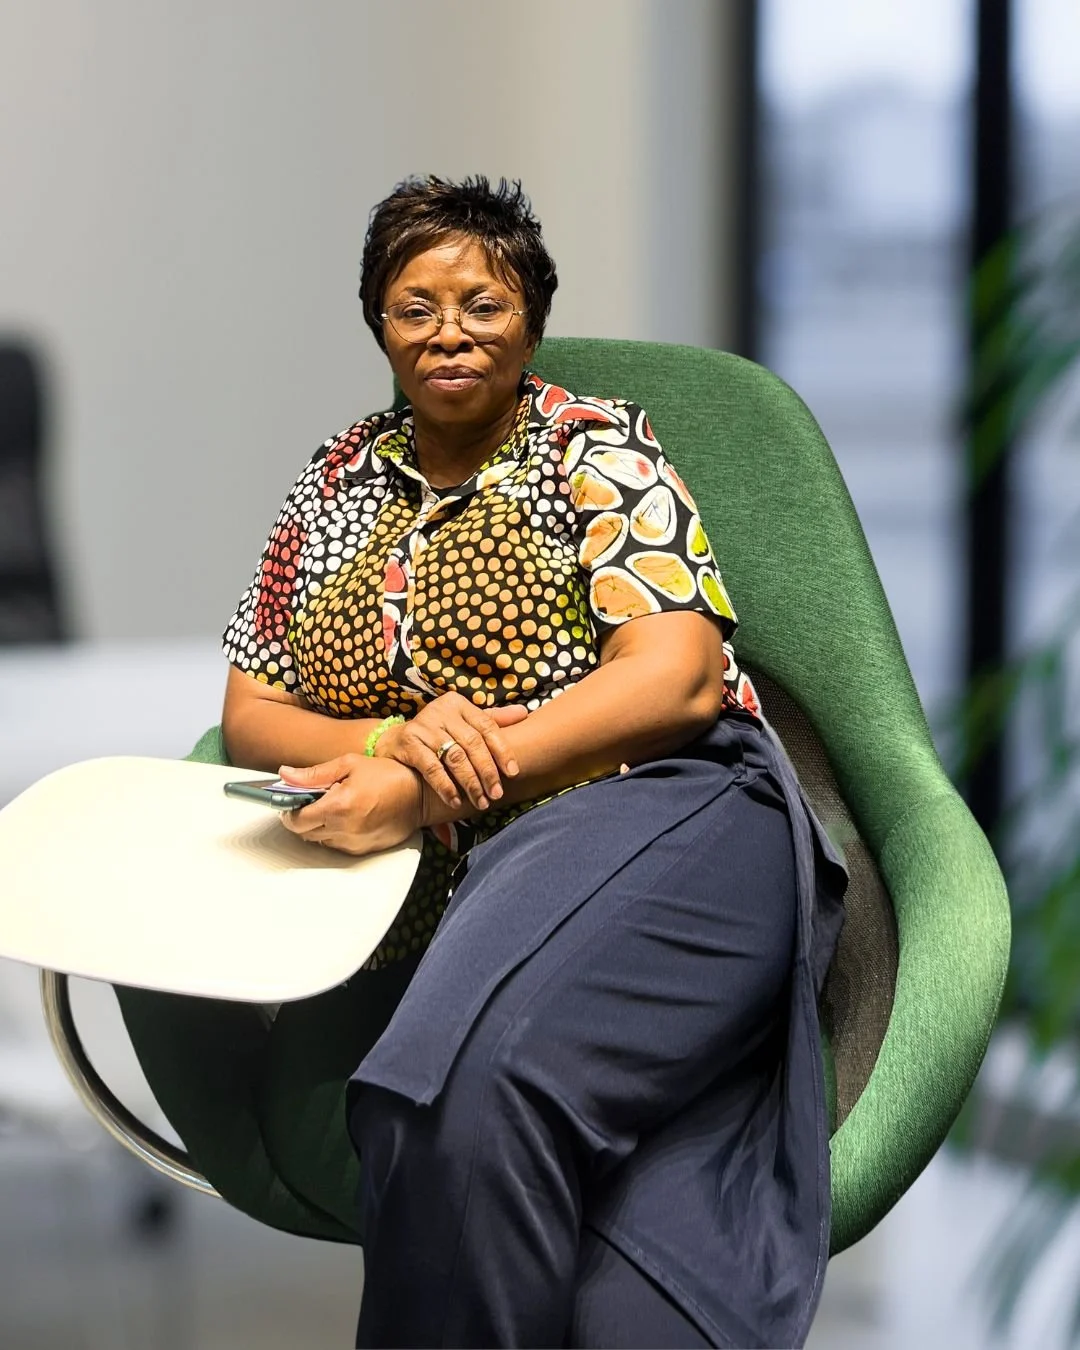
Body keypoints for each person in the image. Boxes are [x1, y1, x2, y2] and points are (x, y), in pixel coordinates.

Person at [217, 175, 846, 1348]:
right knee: (571, 1242)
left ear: (531, 319)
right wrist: (383, 742)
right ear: (377, 325)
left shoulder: (593, 448)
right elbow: (253, 708)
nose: (448, 332)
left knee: (449, 1099)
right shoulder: (332, 483)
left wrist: (435, 779)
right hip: (475, 882)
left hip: (665, 806)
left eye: (481, 304)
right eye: (415, 307)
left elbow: (677, 679)